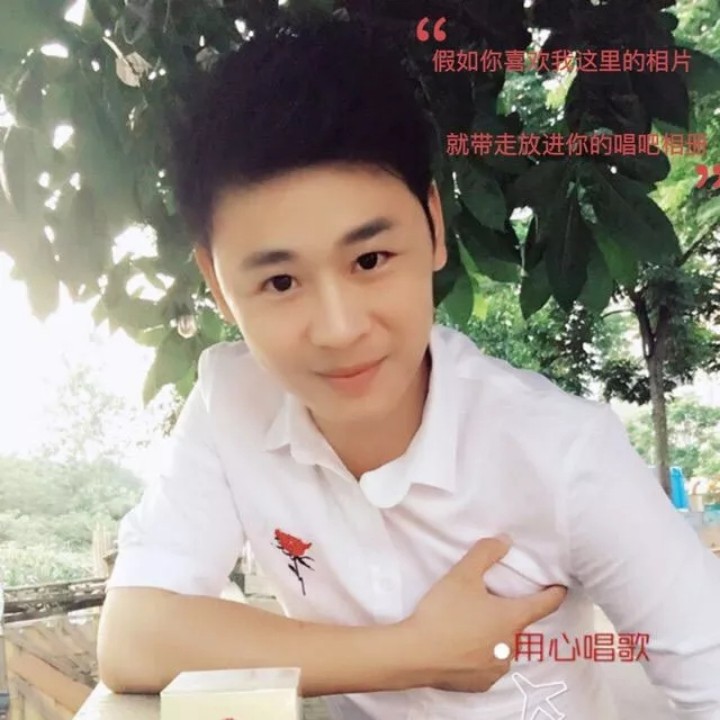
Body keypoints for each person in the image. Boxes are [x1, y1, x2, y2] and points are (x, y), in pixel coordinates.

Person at [97, 17, 720, 720]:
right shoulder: (230, 402)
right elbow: (133, 638)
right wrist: (421, 651)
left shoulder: (563, 452)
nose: (339, 329)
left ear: (433, 225)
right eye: (280, 282)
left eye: (369, 260)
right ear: (217, 284)